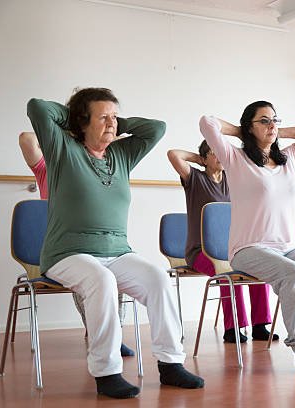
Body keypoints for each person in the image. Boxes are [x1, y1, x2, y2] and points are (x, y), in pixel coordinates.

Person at [27, 88, 204, 399]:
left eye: (115, 116)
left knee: (158, 279)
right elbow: (38, 107)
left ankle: (171, 364)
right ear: (82, 121)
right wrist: (75, 118)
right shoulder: (62, 149)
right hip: (66, 253)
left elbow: (156, 128)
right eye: (103, 117)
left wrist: (114, 122)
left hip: (117, 251)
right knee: (102, 280)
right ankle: (107, 371)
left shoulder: (122, 155)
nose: (112, 123)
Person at [199, 101, 295, 375]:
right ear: (250, 126)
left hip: (286, 246)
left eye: (275, 120)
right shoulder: (235, 158)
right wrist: (242, 131)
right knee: (291, 272)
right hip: (247, 249)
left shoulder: (288, 159)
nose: (272, 125)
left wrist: (273, 130)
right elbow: (207, 122)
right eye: (264, 120)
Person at [19, 131, 134, 357]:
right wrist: (68, 132)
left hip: (96, 242)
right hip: (61, 246)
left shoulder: (94, 165)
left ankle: (113, 333)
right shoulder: (47, 166)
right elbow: (27, 139)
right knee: (88, 273)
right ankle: (100, 333)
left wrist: (100, 135)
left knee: (115, 271)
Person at [167, 141, 278, 343]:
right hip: (201, 252)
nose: (219, 156)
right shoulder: (195, 179)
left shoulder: (232, 179)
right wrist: (198, 159)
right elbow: (174, 153)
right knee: (227, 273)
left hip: (232, 249)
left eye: (221, 153)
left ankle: (260, 325)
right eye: (214, 153)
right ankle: (233, 327)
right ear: (205, 158)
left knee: (257, 267)